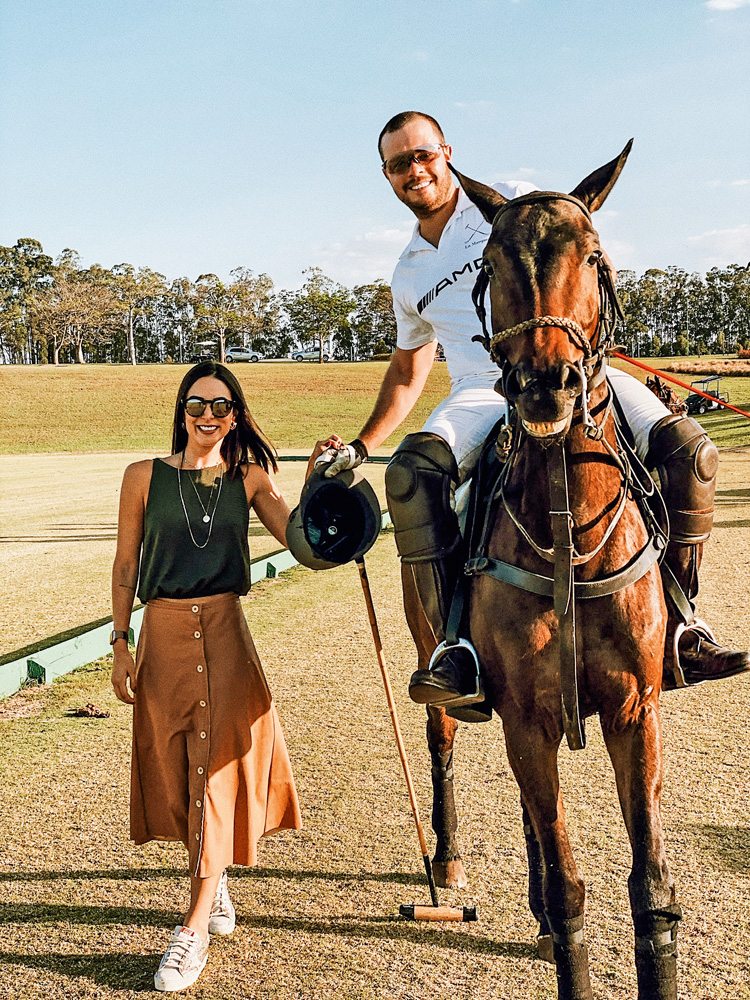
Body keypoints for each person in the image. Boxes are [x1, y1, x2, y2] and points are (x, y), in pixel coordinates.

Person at [315, 110, 748, 718]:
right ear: (385, 176)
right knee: (412, 475)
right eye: (398, 163)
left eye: (424, 155)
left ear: (446, 153)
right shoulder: (408, 270)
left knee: (691, 451)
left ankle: (681, 625)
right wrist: (363, 444)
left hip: (573, 368)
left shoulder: (509, 211)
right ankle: (454, 647)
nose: (415, 170)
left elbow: (579, 251)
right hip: (480, 389)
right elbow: (411, 367)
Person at [111, 361, 304, 992]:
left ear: (236, 413)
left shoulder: (250, 477)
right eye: (197, 405)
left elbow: (300, 538)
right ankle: (214, 878)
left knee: (217, 769)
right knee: (176, 768)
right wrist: (120, 641)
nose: (208, 418)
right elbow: (124, 562)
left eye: (221, 407)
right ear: (181, 408)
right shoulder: (142, 476)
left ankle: (192, 925)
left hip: (226, 633)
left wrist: (331, 484)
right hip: (162, 636)